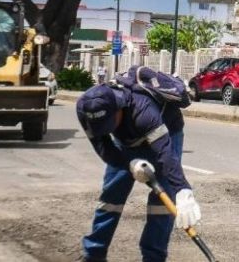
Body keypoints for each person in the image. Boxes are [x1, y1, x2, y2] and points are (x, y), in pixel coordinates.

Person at [76, 76, 200, 262]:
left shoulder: (143, 111)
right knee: (111, 197)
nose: (105, 130)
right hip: (125, 141)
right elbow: (104, 148)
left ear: (118, 108)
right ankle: (94, 254)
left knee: (162, 202)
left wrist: (183, 190)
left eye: (108, 124)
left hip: (166, 132)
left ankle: (153, 257)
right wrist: (130, 164)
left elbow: (166, 155)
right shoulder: (84, 109)